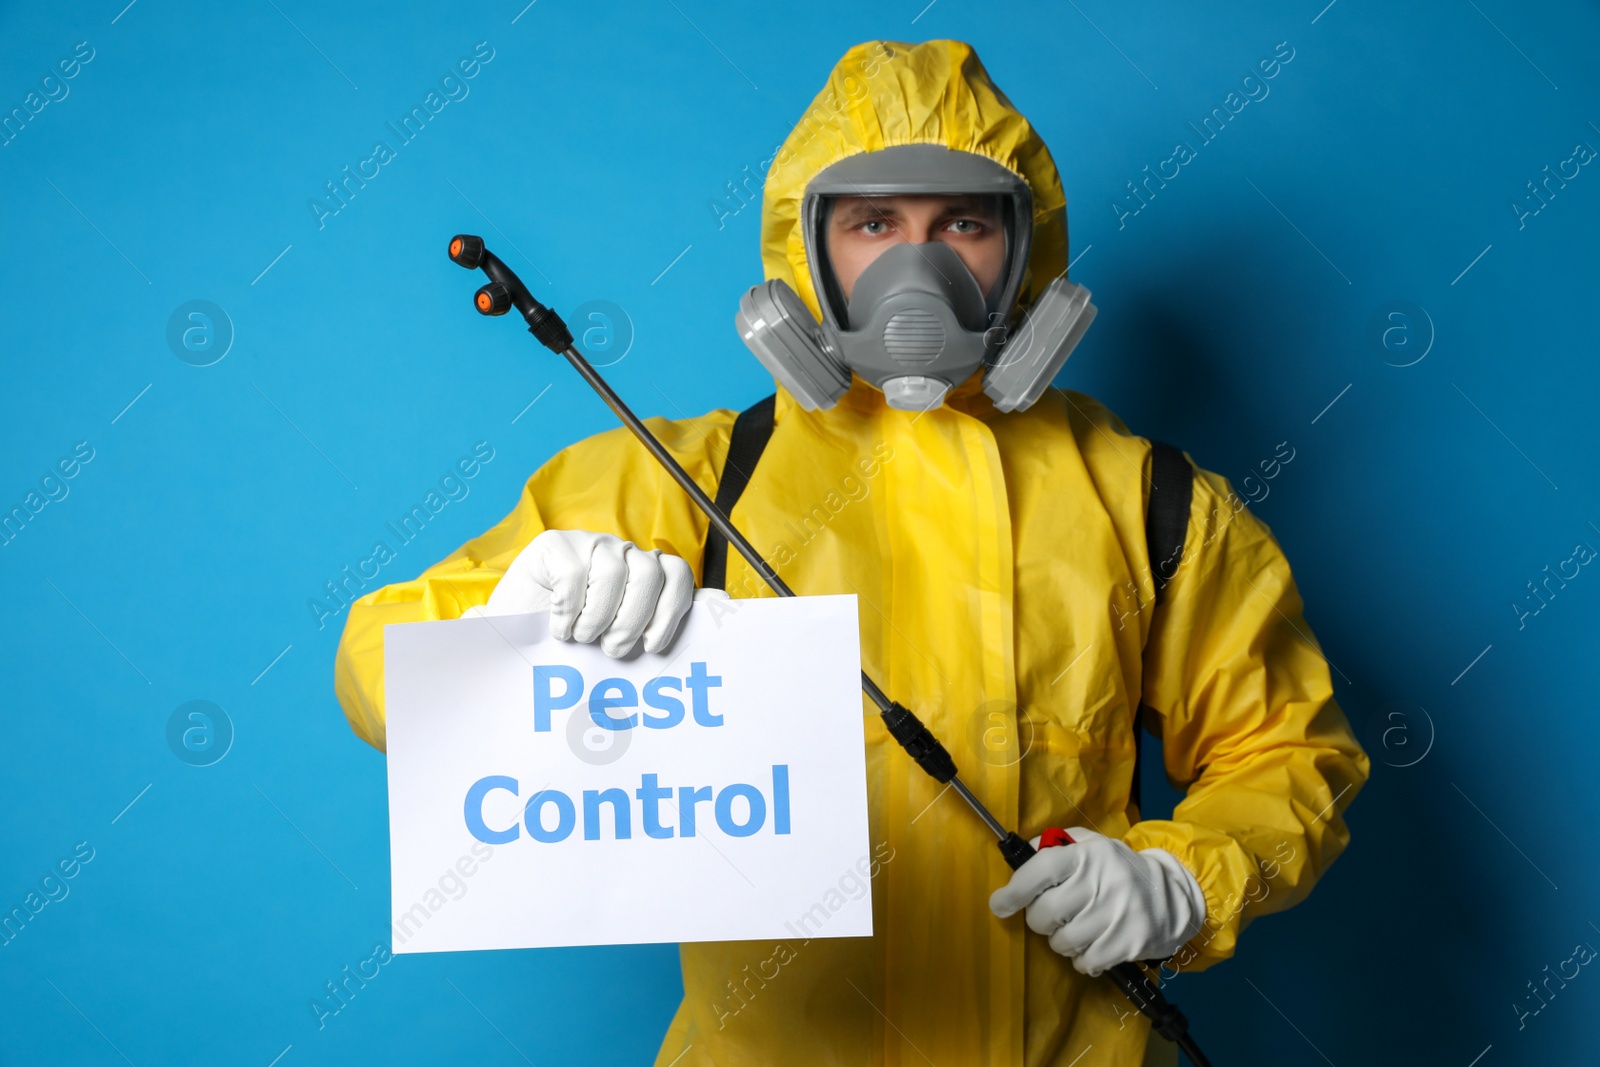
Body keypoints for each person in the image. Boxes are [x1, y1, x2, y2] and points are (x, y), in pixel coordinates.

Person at [334, 38, 1370, 1067]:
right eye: (873, 222)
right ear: (805, 248)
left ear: (1026, 251)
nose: (914, 269)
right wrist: (509, 625)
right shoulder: (686, 483)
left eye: (961, 223)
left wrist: (1183, 878)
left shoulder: (1153, 503)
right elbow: (379, 666)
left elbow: (1290, 752)